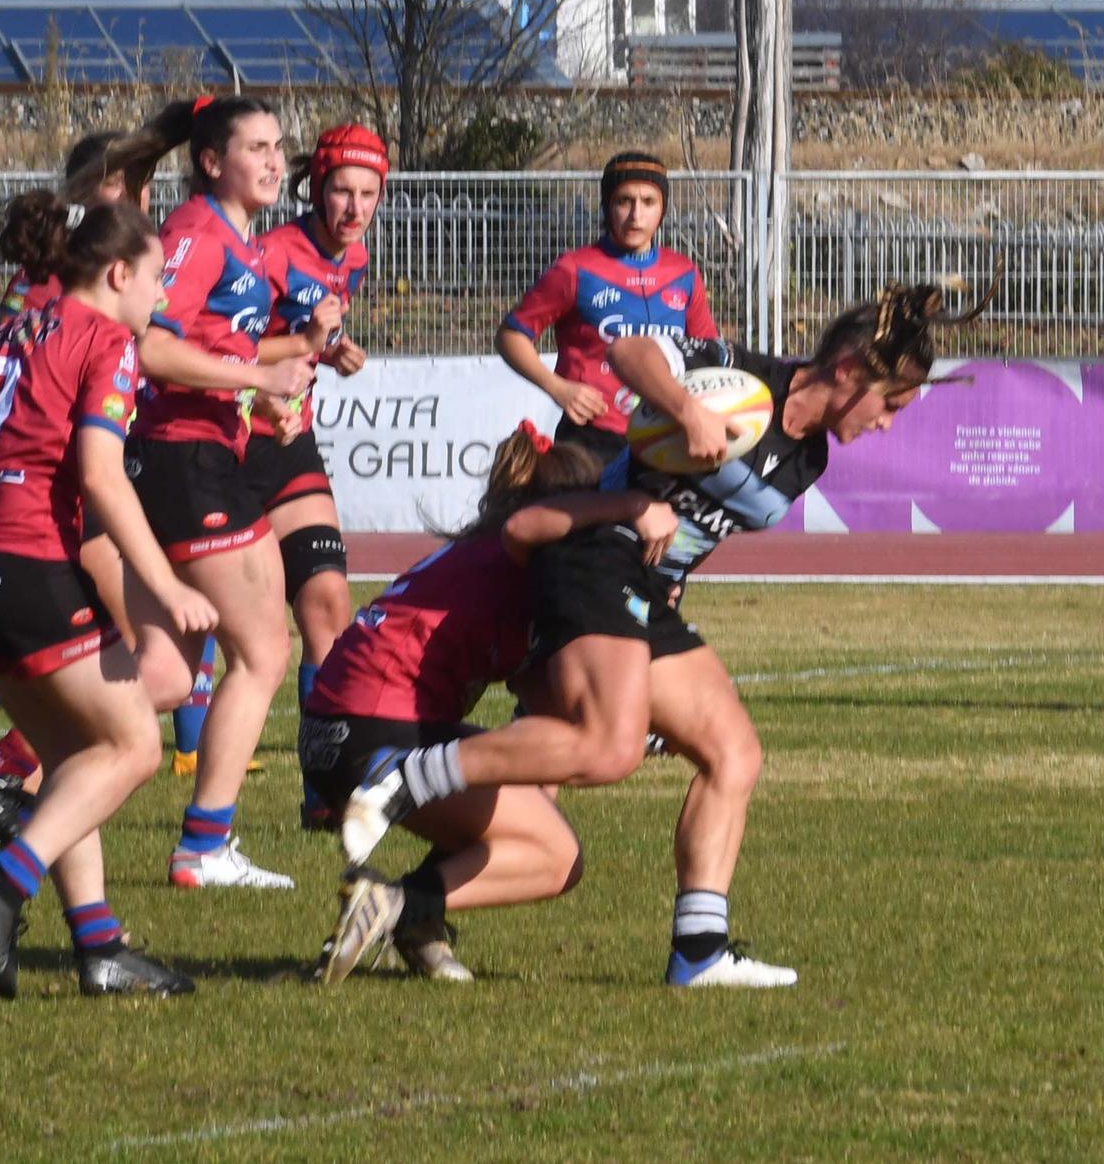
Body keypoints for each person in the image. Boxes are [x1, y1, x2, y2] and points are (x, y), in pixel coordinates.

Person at [340, 279, 996, 987]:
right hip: (594, 554)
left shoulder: (809, 460)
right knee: (604, 750)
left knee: (733, 753)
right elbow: (631, 350)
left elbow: (694, 529)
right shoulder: (739, 376)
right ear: (847, 373)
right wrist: (685, 409)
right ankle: (408, 779)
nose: (888, 424)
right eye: (890, 404)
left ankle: (698, 955)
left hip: (647, 591)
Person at [0, 192, 217, 998]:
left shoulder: (12, 329)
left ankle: (98, 948)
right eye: (157, 279)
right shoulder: (107, 339)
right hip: (23, 556)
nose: (162, 298)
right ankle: (7, 879)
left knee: (70, 760)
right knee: (133, 747)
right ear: (120, 272)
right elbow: (99, 474)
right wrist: (167, 586)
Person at [302, 423, 680, 984]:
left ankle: (418, 927)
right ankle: (400, 904)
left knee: (533, 780)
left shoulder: (483, 558)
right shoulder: (530, 567)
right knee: (557, 858)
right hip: (378, 737)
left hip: (337, 735)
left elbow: (552, 714)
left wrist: (634, 726)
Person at [124, 94, 322, 890]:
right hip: (182, 457)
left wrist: (274, 379)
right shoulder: (197, 235)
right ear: (211, 162)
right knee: (262, 650)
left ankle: (20, 772)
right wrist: (256, 375)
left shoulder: (242, 241)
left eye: (280, 147)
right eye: (257, 148)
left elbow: (214, 343)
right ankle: (203, 847)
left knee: (172, 670)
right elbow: (150, 347)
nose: (276, 161)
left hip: (204, 454)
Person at [244, 123, 386, 801]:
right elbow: (216, 348)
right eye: (341, 192)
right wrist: (271, 385)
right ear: (315, 189)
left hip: (286, 441)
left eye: (368, 194)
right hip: (225, 440)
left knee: (327, 600)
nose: (354, 208)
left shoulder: (350, 260)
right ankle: (5, 736)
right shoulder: (270, 253)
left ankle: (325, 788)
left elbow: (303, 336)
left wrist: (332, 351)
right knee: (190, 632)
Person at [497, 153, 719, 464]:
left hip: (665, 434)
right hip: (592, 438)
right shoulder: (575, 269)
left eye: (648, 201)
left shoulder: (683, 273)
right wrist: (557, 387)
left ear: (663, 208)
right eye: (624, 201)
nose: (635, 215)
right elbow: (510, 336)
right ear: (607, 205)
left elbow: (708, 354)